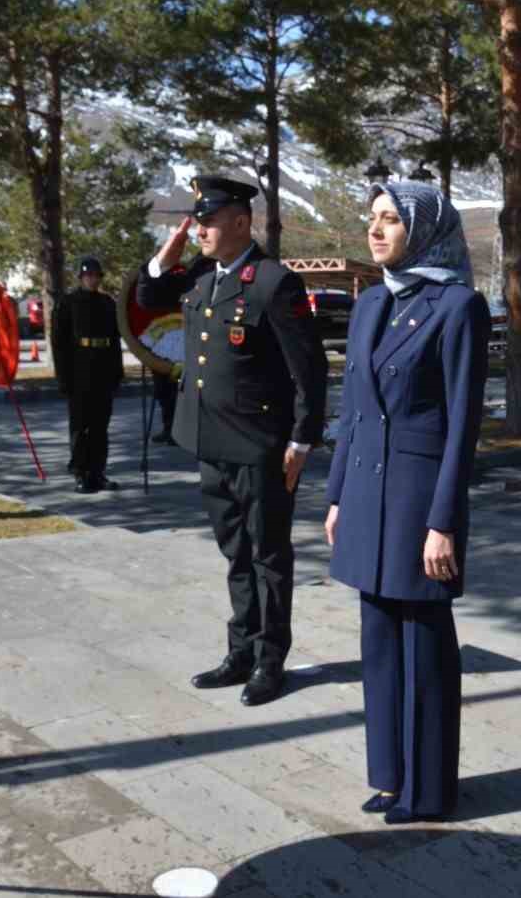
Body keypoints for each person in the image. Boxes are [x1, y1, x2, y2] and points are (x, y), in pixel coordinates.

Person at [325, 181, 488, 825]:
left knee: (423, 642)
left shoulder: (458, 307)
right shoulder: (369, 304)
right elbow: (354, 411)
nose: (377, 229)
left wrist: (443, 522)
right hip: (366, 494)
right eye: (373, 218)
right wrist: (336, 495)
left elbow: (462, 424)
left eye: (391, 219)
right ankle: (389, 776)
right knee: (378, 640)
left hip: (421, 503)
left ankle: (430, 790)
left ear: (422, 230)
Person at [136, 175, 328, 707]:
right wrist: (164, 256)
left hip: (260, 445)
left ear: (240, 223)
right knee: (236, 554)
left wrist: (303, 439)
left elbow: (308, 369)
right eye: (196, 221)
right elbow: (149, 296)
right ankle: (239, 651)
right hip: (211, 442)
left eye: (208, 221)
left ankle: (270, 661)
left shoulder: (272, 282)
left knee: (268, 556)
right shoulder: (203, 276)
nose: (198, 229)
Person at [52, 256, 124, 493]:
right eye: (88, 275)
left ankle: (98, 471)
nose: (92, 279)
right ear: (81, 277)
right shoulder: (68, 303)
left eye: (96, 275)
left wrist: (117, 371)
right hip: (79, 368)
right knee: (80, 425)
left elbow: (114, 340)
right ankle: (81, 472)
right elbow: (59, 344)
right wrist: (63, 377)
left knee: (100, 425)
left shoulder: (107, 303)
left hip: (102, 367)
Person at [150, 368, 179, 444]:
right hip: (162, 367)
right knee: (164, 398)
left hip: (173, 365)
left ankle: (172, 432)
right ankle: (168, 430)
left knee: (171, 397)